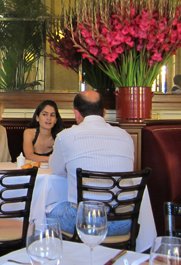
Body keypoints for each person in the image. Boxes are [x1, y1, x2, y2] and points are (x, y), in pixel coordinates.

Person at [48, 90, 134, 236]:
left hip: (83, 223)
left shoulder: (66, 137)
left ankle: (59, 257)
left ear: (76, 113)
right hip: (123, 222)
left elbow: (56, 170)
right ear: (104, 112)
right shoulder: (126, 136)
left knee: (42, 211)